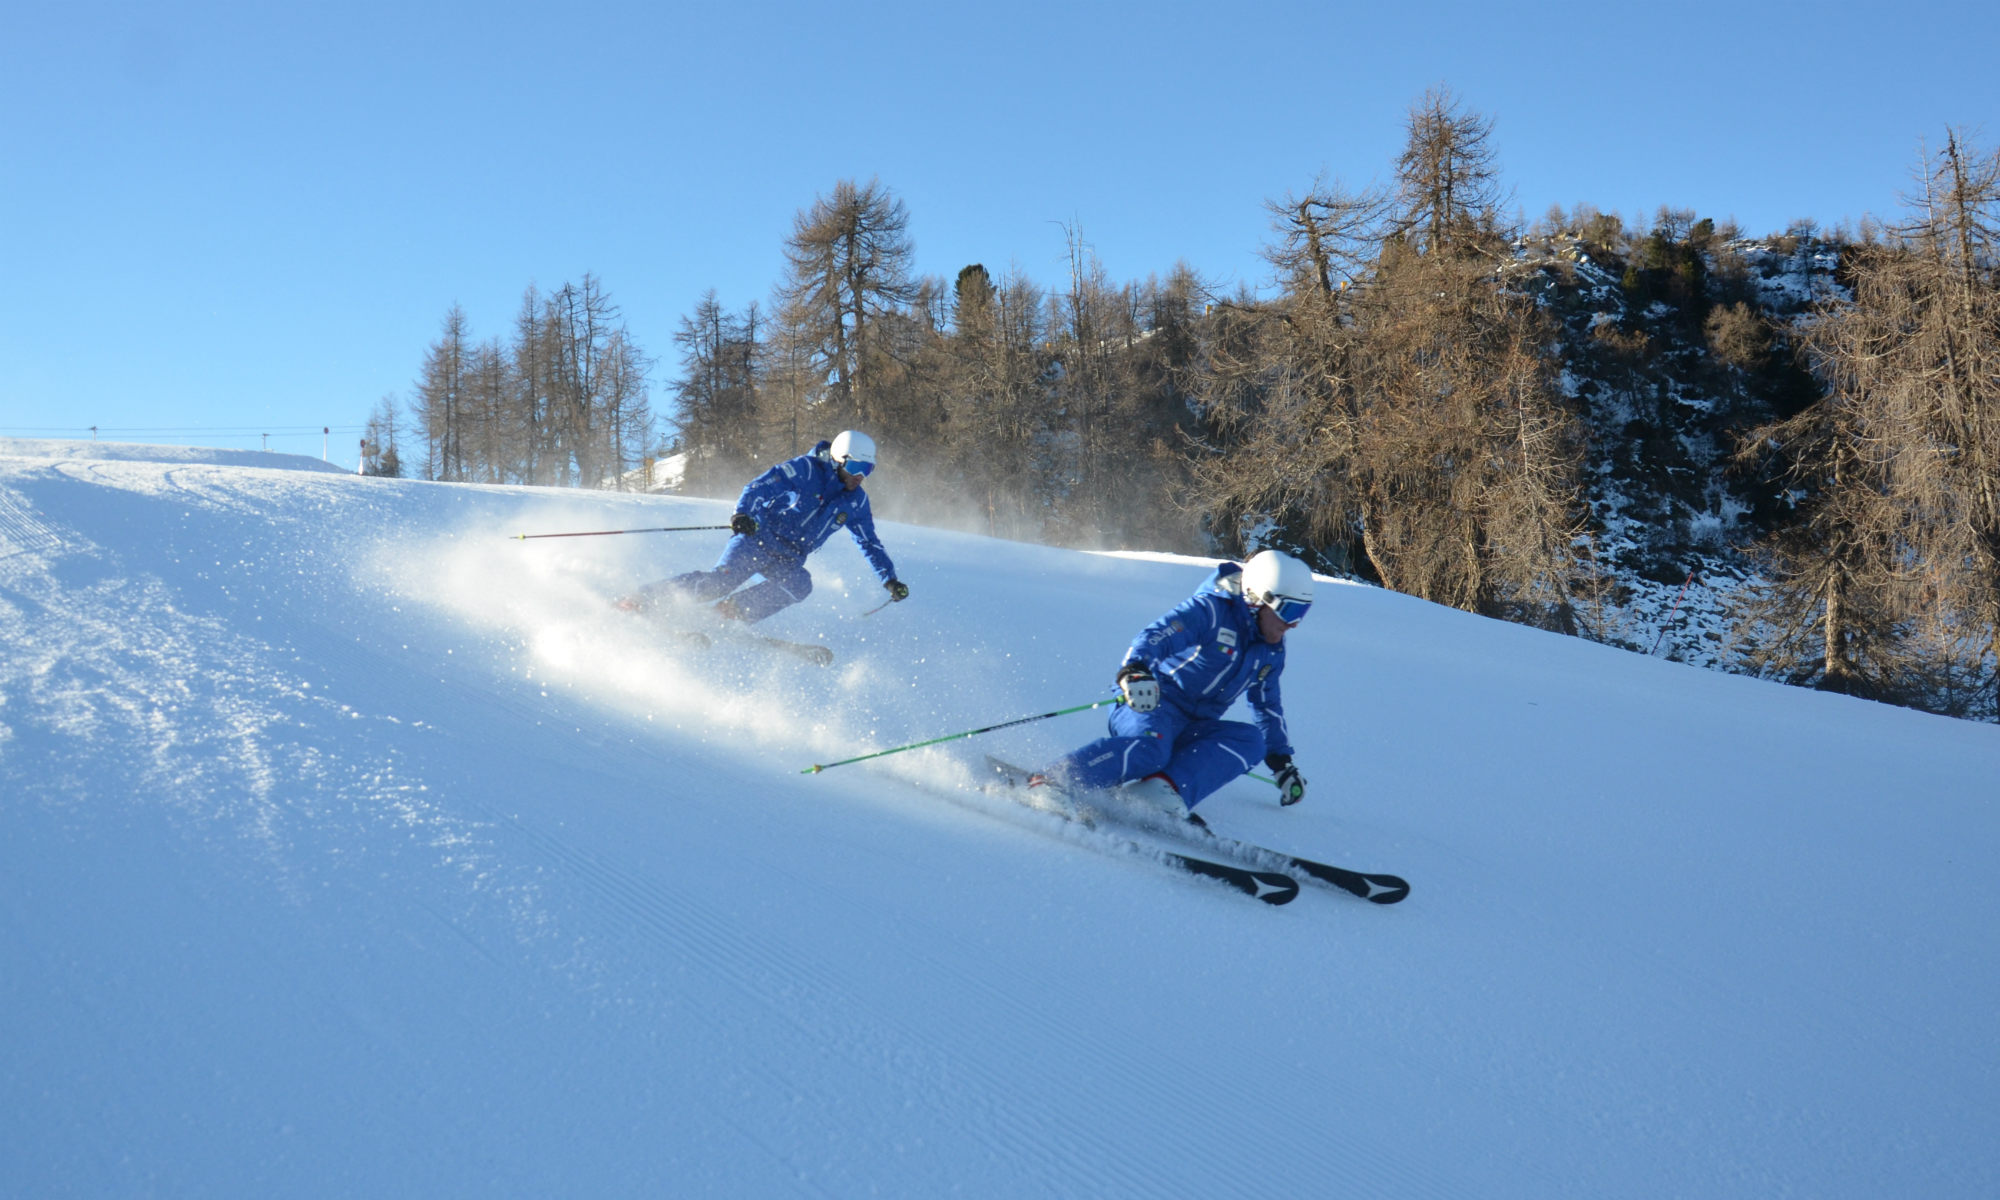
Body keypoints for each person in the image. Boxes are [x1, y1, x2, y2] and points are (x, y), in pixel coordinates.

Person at [1033, 550, 1313, 817]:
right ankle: (1051, 782)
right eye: (1289, 612)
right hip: (1149, 700)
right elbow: (1156, 636)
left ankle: (1160, 791)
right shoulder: (1211, 611)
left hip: (1194, 724)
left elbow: (1267, 705)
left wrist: (1281, 762)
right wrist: (1135, 672)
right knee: (1151, 749)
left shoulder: (1270, 651)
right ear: (1257, 598)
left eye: (1303, 612)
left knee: (1251, 741)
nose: (1294, 625)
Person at [623, 430, 907, 624]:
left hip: (789, 557)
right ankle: (641, 600)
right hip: (757, 539)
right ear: (839, 459)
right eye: (857, 468)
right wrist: (743, 514)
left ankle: (728, 614)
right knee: (719, 582)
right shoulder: (806, 470)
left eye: (867, 470)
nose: (860, 477)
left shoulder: (855, 501)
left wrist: (889, 579)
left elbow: (869, 543)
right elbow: (758, 486)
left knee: (800, 584)